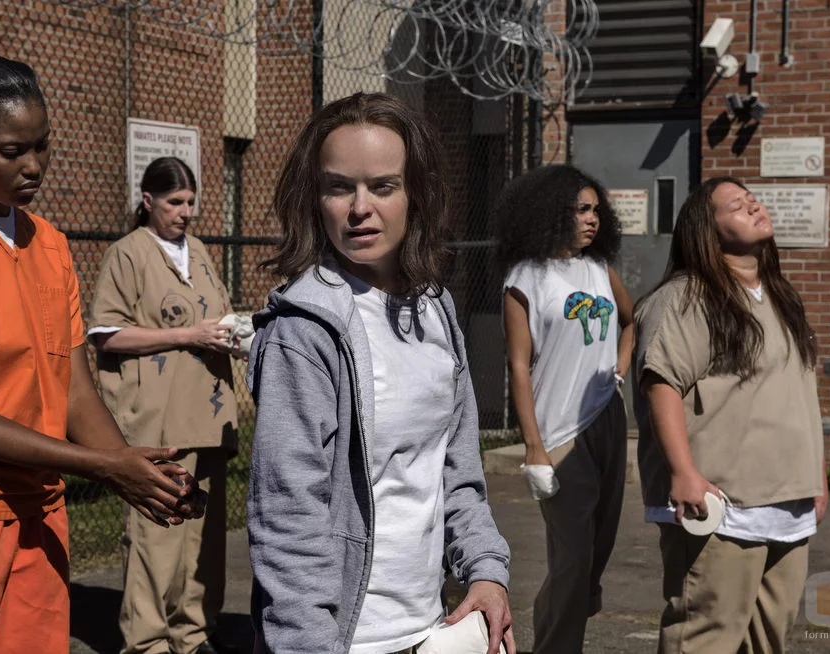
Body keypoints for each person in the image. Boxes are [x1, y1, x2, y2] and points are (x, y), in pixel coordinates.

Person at [0, 56, 201, 654]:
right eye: (12, 151)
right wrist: (100, 467)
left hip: (40, 513)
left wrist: (135, 470)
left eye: (42, 145)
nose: (34, 165)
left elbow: (72, 389)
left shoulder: (48, 243)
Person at [246, 92, 515, 654]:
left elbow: (456, 472)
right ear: (315, 198)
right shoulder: (305, 330)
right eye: (339, 187)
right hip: (346, 640)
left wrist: (486, 570)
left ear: (416, 193)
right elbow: (287, 516)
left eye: (383, 186)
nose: (359, 208)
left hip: (434, 629)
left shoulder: (435, 307)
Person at [633, 177, 827, 653]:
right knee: (705, 636)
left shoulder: (781, 298)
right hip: (720, 505)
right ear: (707, 229)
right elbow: (662, 383)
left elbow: (801, 395)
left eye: (753, 199)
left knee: (768, 639)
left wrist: (816, 478)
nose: (754, 206)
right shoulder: (684, 298)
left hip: (787, 501)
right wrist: (683, 472)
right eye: (737, 205)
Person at [88, 156, 242, 654]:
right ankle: (148, 641)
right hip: (157, 417)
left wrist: (234, 333)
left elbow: (217, 314)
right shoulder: (128, 254)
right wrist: (187, 335)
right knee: (156, 533)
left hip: (207, 412)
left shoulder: (198, 251)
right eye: (175, 202)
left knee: (204, 537)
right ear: (148, 200)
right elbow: (107, 334)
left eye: (191, 202)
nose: (186, 212)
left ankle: (193, 633)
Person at [496, 165, 633, 653]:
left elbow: (630, 319)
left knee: (596, 555)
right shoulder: (526, 278)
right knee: (573, 558)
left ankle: (562, 628)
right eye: (581, 210)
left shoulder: (600, 270)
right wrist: (533, 447)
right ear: (552, 212)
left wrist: (619, 370)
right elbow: (518, 366)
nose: (592, 219)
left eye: (596, 210)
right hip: (559, 433)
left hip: (608, 417)